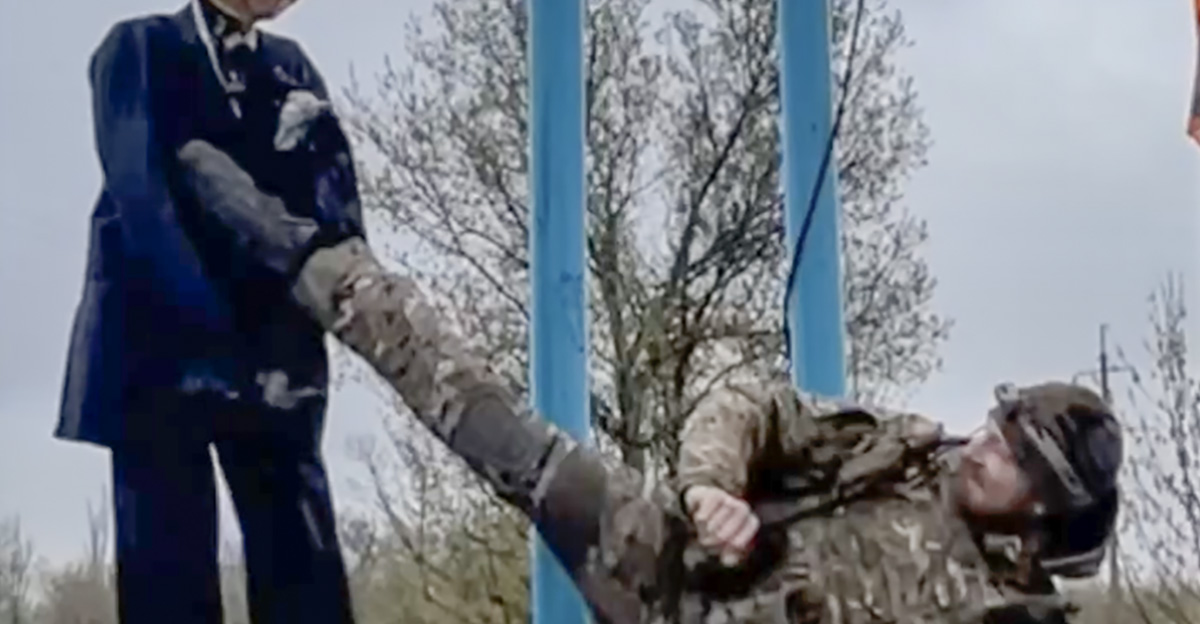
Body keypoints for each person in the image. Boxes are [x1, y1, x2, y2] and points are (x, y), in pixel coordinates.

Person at [173, 124, 1124, 623]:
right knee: (500, 428)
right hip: (669, 561)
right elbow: (753, 403)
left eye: (1014, 456)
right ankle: (311, 261)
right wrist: (712, 488)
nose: (985, 446)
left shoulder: (1009, 614)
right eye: (999, 423)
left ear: (1046, 505)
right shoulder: (908, 451)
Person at [56, 0, 361, 622]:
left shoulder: (290, 66)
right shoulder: (138, 48)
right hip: (158, 354)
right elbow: (141, 197)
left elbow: (334, 210)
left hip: (274, 359)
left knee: (304, 566)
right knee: (167, 572)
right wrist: (211, 331)